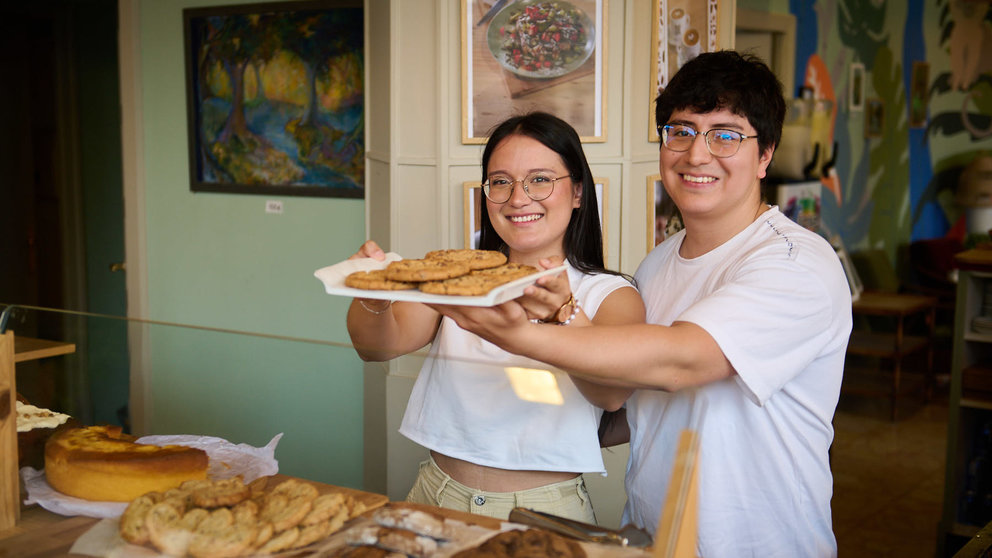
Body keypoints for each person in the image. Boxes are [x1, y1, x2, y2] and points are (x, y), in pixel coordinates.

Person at [434, 51, 853, 557]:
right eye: (680, 131)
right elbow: (634, 403)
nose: (696, 154)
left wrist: (515, 332)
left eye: (725, 135)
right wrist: (514, 420)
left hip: (759, 544)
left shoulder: (796, 262)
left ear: (764, 154)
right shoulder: (657, 265)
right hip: (651, 537)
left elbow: (682, 361)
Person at [345, 112, 645, 522]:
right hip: (435, 492)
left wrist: (562, 313)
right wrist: (373, 293)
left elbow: (610, 394)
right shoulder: (458, 277)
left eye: (540, 179)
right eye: (501, 182)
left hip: (542, 511)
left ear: (577, 192)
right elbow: (376, 348)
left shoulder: (610, 295)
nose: (517, 198)